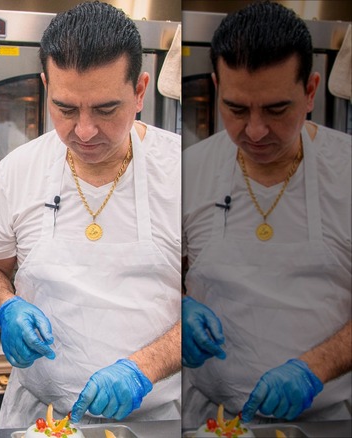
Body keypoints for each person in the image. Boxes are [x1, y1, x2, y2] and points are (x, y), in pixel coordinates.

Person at [0, 2, 182, 428]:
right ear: (46, 85)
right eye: (66, 108)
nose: (83, 131)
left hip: (154, 420)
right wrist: (6, 305)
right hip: (38, 418)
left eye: (106, 109)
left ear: (140, 91)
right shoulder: (18, 169)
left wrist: (142, 367)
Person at [182, 1, 351, 429]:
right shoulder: (188, 171)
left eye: (277, 109)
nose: (254, 131)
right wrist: (175, 309)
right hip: (209, 418)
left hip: (324, 420)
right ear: (218, 86)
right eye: (236, 109)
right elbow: (159, 276)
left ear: (311, 91)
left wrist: (314, 366)